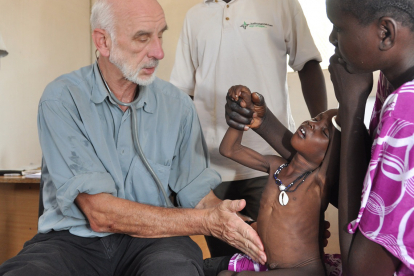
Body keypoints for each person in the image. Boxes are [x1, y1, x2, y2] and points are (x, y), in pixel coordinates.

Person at [0, 0, 267, 275]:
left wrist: (235, 221)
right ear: (103, 42)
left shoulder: (178, 105)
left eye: (160, 35)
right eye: (143, 38)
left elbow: (199, 195)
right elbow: (100, 214)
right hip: (71, 243)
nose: (159, 52)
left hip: (156, 243)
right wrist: (208, 221)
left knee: (174, 270)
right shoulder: (62, 99)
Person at [170, 0, 328, 257]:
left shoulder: (281, 5)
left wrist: (320, 141)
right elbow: (182, 92)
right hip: (209, 168)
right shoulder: (195, 17)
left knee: (273, 254)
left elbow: (308, 63)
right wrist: (180, 157)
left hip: (270, 162)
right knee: (226, 259)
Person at [203, 85, 340, 276]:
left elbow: (342, 147)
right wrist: (241, 115)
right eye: (316, 119)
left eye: (324, 132)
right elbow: (229, 149)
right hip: (270, 265)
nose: (312, 124)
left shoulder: (318, 182)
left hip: (304, 271)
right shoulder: (276, 166)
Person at [326, 0, 414, 275]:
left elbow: (361, 272)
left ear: (385, 33)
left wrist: (351, 107)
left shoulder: (406, 110)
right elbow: (370, 197)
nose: (331, 39)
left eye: (339, 28)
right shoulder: (391, 81)